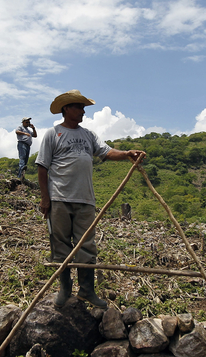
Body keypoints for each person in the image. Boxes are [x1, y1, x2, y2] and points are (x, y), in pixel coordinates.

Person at [35, 89, 146, 309]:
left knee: (86, 245)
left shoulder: (88, 135)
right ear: (66, 109)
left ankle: (87, 290)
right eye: (78, 106)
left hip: (85, 199)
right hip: (59, 197)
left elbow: (105, 152)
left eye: (83, 107)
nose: (83, 111)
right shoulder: (52, 134)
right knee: (60, 244)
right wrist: (45, 198)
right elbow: (42, 167)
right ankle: (65, 289)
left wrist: (126, 154)